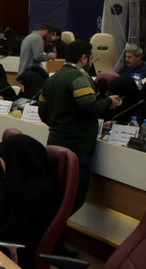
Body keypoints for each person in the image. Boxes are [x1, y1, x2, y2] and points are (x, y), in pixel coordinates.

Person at [38, 40, 119, 213]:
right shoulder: (80, 77)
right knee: (72, 199)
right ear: (84, 58)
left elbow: (42, 113)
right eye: (91, 58)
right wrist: (108, 102)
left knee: (55, 196)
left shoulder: (52, 78)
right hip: (77, 148)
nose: (91, 63)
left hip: (54, 142)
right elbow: (90, 106)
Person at [0, 134, 57, 269]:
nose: (1, 162)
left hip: (12, 259)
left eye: (4, 158)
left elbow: (15, 233)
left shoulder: (36, 193)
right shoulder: (15, 183)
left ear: (18, 159)